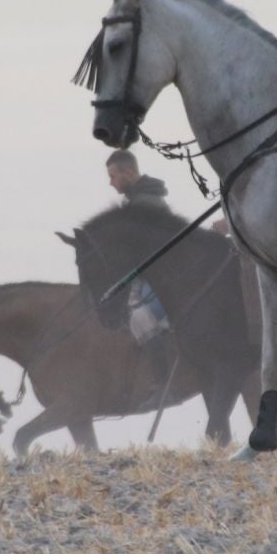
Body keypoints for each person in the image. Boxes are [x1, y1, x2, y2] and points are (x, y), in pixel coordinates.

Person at [104, 151, 176, 386]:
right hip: (149, 276)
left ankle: (162, 385)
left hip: (159, 279)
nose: (111, 182)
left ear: (129, 172)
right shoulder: (138, 200)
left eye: (113, 176)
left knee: (139, 318)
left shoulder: (145, 203)